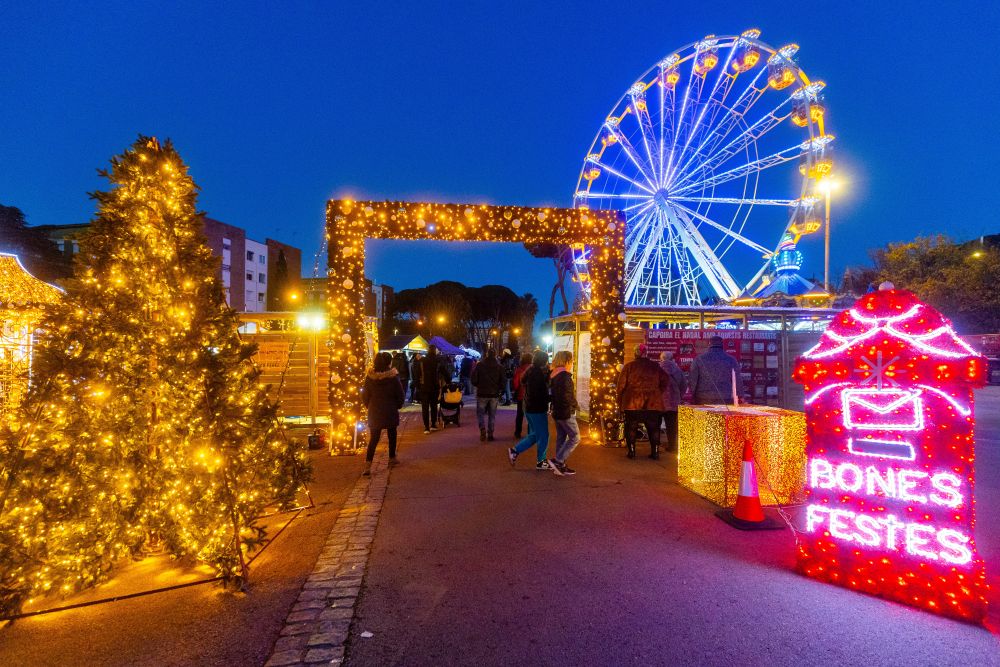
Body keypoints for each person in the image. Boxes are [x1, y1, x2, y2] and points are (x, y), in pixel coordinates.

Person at [616, 343, 670, 460]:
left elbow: (620, 386)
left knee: (631, 427)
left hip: (632, 403)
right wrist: (658, 391)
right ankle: (655, 453)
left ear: (635, 353)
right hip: (653, 402)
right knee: (654, 428)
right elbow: (665, 379)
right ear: (646, 353)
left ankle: (631, 452)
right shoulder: (655, 366)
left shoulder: (629, 367)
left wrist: (619, 401)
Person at [360, 351, 404, 476]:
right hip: (390, 409)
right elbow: (400, 394)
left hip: (375, 411)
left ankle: (368, 466)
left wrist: (369, 405)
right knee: (392, 435)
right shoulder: (393, 377)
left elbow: (365, 395)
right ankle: (391, 458)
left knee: (374, 439)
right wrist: (398, 405)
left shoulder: (370, 377)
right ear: (389, 362)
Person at [508, 350, 552, 470]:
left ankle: (515, 451)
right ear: (544, 361)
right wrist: (552, 398)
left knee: (534, 435)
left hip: (529, 407)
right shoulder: (537, 374)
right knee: (543, 435)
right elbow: (539, 393)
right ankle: (541, 461)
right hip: (537, 408)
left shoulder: (531, 371)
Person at [547, 349, 579, 476]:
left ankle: (560, 465)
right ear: (567, 361)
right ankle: (558, 461)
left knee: (561, 437)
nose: (572, 363)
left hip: (557, 411)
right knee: (575, 437)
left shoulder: (554, 375)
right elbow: (567, 396)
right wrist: (575, 405)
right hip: (566, 412)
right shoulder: (565, 377)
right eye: (571, 361)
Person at [688, 335, 743, 405]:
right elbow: (737, 379)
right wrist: (740, 396)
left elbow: (693, 380)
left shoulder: (699, 359)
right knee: (723, 416)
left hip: (703, 397)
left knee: (705, 416)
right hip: (726, 397)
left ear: (709, 344)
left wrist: (692, 396)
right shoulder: (731, 359)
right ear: (722, 345)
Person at [471, 348, 505, 441]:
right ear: (494, 355)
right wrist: (500, 390)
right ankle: (490, 433)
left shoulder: (480, 365)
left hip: (482, 393)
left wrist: (478, 385)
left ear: (486, 354)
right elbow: (503, 381)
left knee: (480, 413)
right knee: (492, 415)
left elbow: (474, 379)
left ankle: (482, 428)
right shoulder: (499, 367)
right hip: (494, 394)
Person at [658, 351, 687, 453]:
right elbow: (683, 385)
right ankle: (672, 446)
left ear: (661, 358)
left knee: (656, 424)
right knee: (671, 425)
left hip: (659, 401)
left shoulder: (657, 369)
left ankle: (656, 445)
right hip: (673, 401)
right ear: (671, 359)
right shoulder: (677, 370)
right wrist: (679, 395)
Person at [419, 345, 446, 433]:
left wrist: (418, 386)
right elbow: (444, 371)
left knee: (425, 408)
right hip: (434, 387)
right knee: (434, 406)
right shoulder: (438, 361)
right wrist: (448, 381)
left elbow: (416, 374)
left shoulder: (422, 361)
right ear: (434, 351)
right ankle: (433, 424)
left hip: (424, 387)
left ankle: (426, 427)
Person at [511, 352, 533, 438]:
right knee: (530, 415)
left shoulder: (519, 370)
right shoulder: (534, 369)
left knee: (519, 415)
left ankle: (517, 432)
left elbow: (516, 383)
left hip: (521, 395)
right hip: (531, 396)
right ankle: (530, 433)